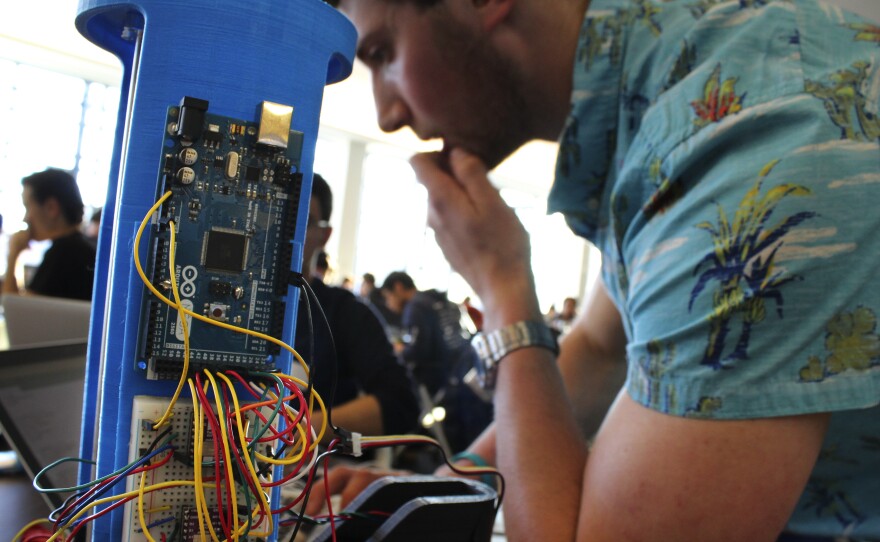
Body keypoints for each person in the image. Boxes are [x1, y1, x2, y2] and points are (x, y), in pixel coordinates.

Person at [312, 0, 880, 540]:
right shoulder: (674, 100)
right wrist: (441, 490)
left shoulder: (747, 151)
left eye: (384, 53)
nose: (386, 115)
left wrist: (503, 282)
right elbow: (599, 347)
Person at [296, 173, 419, 440]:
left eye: (303, 220)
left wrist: (293, 433)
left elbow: (401, 404)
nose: (287, 227)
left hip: (306, 470)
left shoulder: (346, 313)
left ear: (324, 235)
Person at [381, 271, 493, 453]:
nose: (388, 304)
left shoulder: (415, 307)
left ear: (398, 288)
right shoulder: (442, 301)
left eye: (388, 297)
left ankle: (404, 449)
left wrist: (399, 351)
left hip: (438, 381)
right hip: (461, 374)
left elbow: (418, 350)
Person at [3, 169, 96, 301]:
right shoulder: (84, 247)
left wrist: (13, 256)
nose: (25, 218)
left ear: (51, 208)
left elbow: (16, 314)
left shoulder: (63, 253)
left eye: (27, 207)